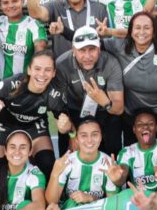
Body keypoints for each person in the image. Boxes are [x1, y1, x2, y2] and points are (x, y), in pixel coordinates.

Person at [0, 53, 71, 176]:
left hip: (34, 126)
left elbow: (67, 127)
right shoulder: (11, 85)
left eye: (47, 70)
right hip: (4, 125)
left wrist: (66, 126)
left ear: (53, 73)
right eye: (37, 69)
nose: (42, 74)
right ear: (29, 70)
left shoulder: (55, 95)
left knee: (47, 164)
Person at [98, 11, 157, 143]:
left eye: (147, 28)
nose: (142, 32)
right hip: (131, 115)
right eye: (137, 28)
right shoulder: (120, 46)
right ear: (130, 31)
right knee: (132, 151)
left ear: (154, 31)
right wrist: (65, 32)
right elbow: (92, 44)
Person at [52, 25, 126, 155]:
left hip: (104, 111)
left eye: (92, 49)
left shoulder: (111, 63)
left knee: (113, 137)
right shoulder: (62, 64)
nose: (87, 56)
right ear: (74, 50)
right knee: (64, 128)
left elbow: (118, 108)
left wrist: (104, 101)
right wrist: (72, 133)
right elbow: (57, 104)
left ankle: (112, 163)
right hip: (74, 111)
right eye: (82, 50)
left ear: (99, 48)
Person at [25, 0, 110, 58]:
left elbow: (107, 45)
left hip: (92, 64)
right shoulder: (55, 6)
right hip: (63, 66)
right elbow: (36, 14)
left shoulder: (99, 9)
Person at [46, 117, 122, 208]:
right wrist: (54, 174)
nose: (89, 140)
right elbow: (51, 202)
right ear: (76, 139)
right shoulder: (66, 162)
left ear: (101, 137)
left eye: (94, 135)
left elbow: (113, 206)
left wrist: (90, 198)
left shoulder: (109, 164)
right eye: (84, 135)